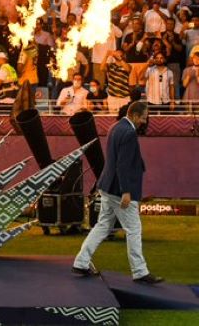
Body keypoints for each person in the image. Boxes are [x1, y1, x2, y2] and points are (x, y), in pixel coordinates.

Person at [72, 101, 163, 284]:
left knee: (103, 226)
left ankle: (81, 263)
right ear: (134, 115)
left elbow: (118, 160)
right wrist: (126, 191)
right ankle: (140, 272)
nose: (144, 121)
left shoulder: (115, 127)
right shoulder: (128, 133)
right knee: (133, 229)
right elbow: (123, 164)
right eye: (143, 118)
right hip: (119, 190)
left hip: (108, 186)